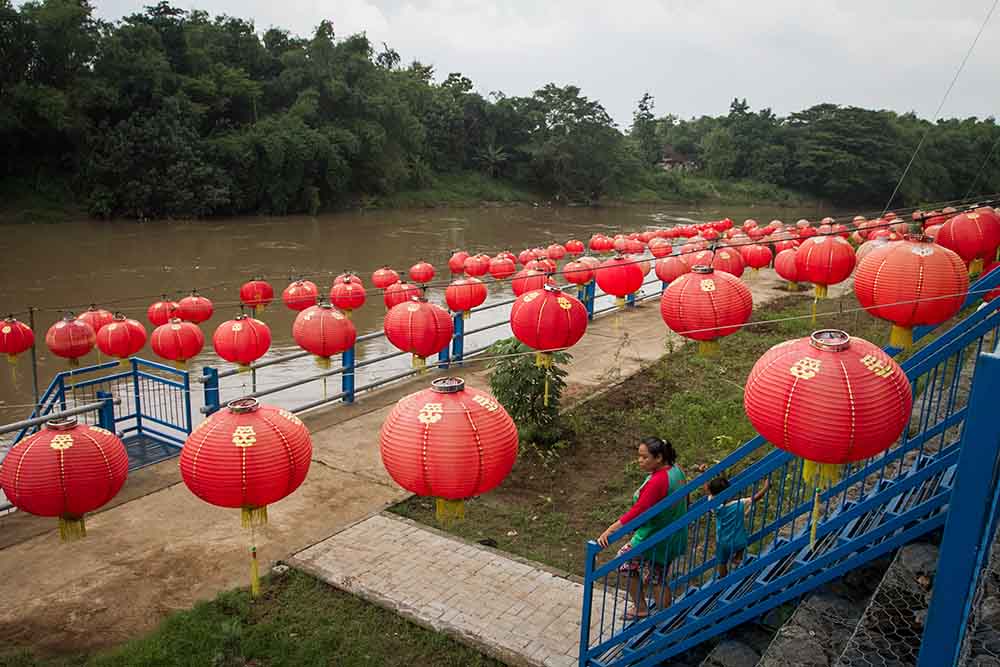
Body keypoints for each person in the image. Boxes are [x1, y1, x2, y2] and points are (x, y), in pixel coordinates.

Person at [598, 437, 688, 620]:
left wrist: (610, 530)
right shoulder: (676, 470)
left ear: (659, 457)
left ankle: (647, 610)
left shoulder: (658, 481)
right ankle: (664, 616)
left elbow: (638, 511)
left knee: (625, 563)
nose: (639, 460)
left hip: (655, 537)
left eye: (644, 457)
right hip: (672, 532)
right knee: (658, 576)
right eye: (639, 456)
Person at [705, 475, 770, 578]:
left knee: (721, 562)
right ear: (729, 492)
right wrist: (766, 486)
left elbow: (709, 491)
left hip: (722, 542)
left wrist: (705, 475)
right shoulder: (739, 504)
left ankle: (723, 580)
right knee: (743, 539)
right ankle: (738, 557)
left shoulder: (715, 507)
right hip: (738, 541)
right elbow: (757, 497)